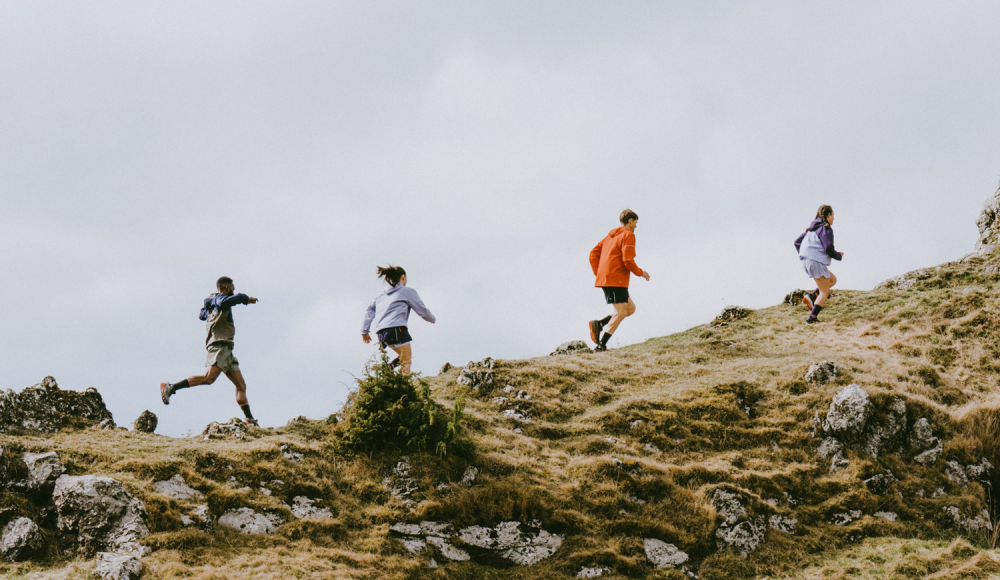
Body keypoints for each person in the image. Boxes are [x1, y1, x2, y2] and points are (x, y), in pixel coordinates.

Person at [160, 276, 260, 426]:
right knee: (209, 378)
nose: (234, 290)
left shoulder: (213, 302)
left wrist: (211, 308)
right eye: (232, 287)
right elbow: (227, 300)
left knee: (241, 385)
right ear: (226, 287)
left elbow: (202, 315)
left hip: (227, 349)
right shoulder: (221, 300)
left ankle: (250, 420)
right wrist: (246, 299)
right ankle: (171, 387)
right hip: (218, 346)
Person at [588, 209, 650, 351]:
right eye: (635, 222)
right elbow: (627, 260)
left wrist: (600, 273)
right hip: (616, 279)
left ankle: (600, 324)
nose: (636, 225)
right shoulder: (628, 235)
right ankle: (601, 346)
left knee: (630, 309)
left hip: (610, 278)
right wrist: (641, 273)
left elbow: (593, 254)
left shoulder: (609, 237)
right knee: (621, 312)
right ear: (630, 221)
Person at [361, 265, 436, 375]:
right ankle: (404, 388)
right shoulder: (407, 291)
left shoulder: (380, 295)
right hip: (396, 329)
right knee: (407, 360)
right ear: (403, 277)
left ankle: (388, 370)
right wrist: (432, 319)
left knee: (402, 356)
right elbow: (422, 310)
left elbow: (369, 310)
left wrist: (364, 332)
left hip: (381, 332)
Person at [794, 205, 844, 324]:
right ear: (828, 215)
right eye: (833, 215)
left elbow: (797, 243)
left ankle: (812, 296)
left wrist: (806, 255)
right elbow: (828, 248)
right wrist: (838, 255)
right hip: (814, 261)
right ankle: (812, 319)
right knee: (825, 292)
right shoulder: (825, 228)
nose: (833, 218)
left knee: (833, 280)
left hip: (806, 261)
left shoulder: (811, 230)